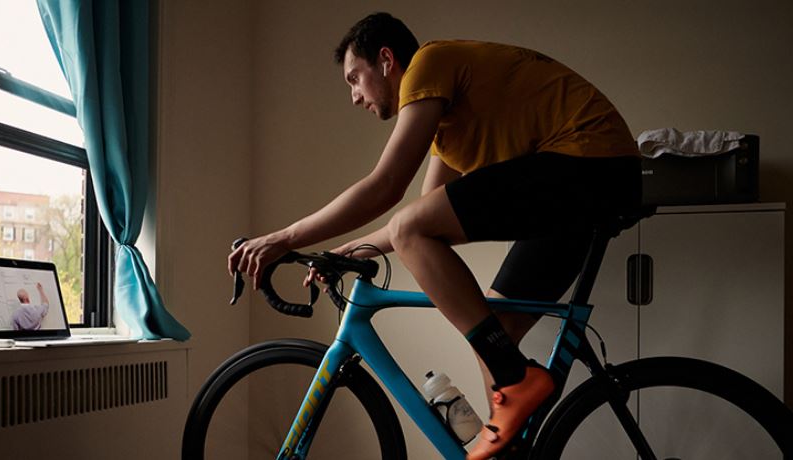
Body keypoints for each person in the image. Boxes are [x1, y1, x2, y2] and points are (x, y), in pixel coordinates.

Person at [228, 12, 641, 459]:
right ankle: (510, 442)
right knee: (494, 333)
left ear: (386, 60)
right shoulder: (447, 129)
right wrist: (347, 251)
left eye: (354, 78)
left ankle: (517, 380)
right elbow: (422, 218)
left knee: (492, 345)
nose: (353, 97)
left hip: (590, 164)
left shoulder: (429, 62)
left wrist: (284, 238)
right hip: (580, 191)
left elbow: (387, 189)